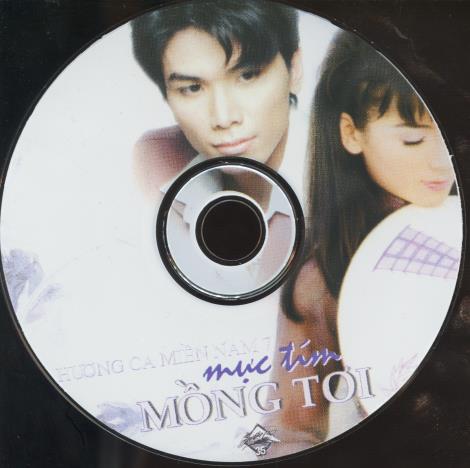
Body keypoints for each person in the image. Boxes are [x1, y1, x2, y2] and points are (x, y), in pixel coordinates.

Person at [264, 29, 455, 456]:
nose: (441, 160)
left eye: (448, 134)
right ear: (352, 133)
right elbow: (286, 430)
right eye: (413, 138)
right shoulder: (321, 279)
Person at [131, 0, 303, 204]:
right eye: (193, 88)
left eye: (247, 76)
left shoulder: (333, 164)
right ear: (167, 94)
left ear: (295, 70)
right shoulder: (155, 160)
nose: (223, 118)